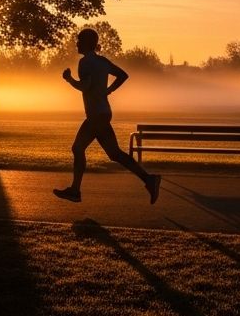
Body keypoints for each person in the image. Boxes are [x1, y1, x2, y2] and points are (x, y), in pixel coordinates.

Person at [53, 28, 161, 204]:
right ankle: (149, 180)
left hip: (96, 115)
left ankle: (75, 191)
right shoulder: (102, 61)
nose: (77, 43)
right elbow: (123, 75)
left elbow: (85, 86)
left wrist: (69, 79)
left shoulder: (85, 63)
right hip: (104, 113)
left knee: (77, 148)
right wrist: (108, 90)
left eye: (79, 40)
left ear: (87, 43)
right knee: (115, 154)